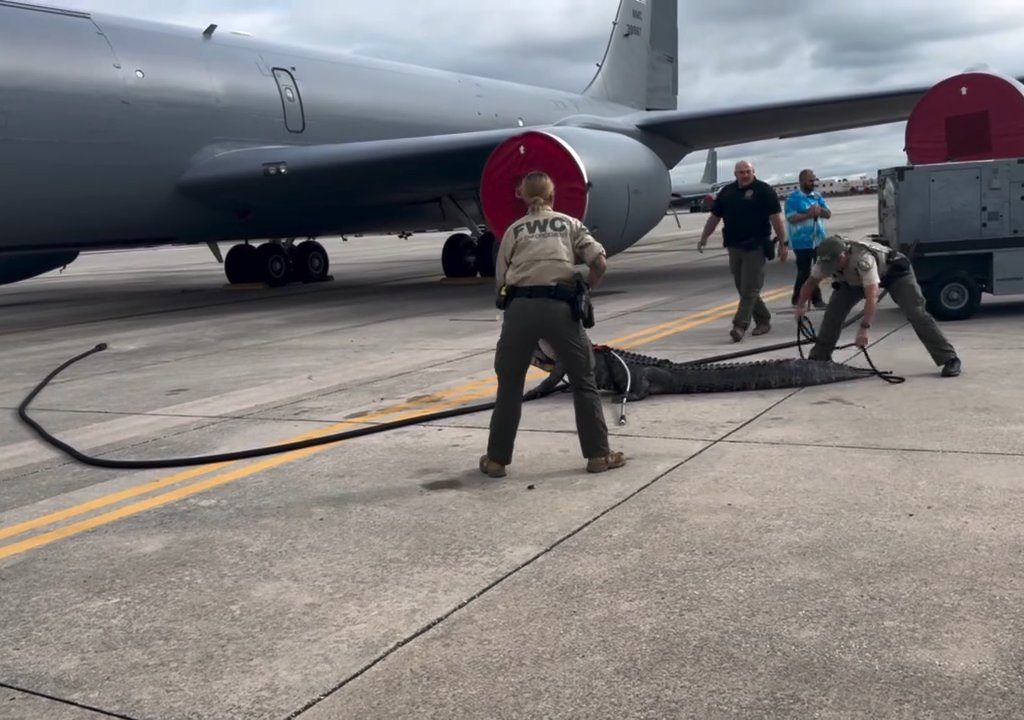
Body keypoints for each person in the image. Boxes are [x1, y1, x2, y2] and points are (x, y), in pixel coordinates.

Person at [479, 171, 626, 478]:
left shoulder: (513, 231)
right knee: (584, 382)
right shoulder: (570, 224)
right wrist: (586, 287)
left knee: (509, 386)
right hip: (561, 308)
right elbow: (599, 262)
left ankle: (496, 460)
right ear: (552, 196)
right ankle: (598, 455)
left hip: (519, 310)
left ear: (523, 196)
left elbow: (500, 282)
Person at [794, 234, 962, 377]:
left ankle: (949, 358)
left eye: (835, 264)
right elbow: (810, 283)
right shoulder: (825, 260)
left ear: (843, 255)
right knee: (833, 314)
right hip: (852, 281)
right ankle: (819, 359)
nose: (831, 269)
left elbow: (871, 296)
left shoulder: (863, 260)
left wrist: (864, 329)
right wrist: (800, 306)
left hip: (894, 274)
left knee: (916, 313)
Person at [698, 160, 789, 342]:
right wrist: (704, 238)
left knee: (750, 288)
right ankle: (763, 319)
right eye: (741, 172)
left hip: (756, 246)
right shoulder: (727, 192)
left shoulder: (764, 191)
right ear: (735, 174)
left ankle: (739, 326)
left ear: (753, 171)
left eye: (748, 171)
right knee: (743, 286)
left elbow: (776, 219)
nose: (745, 175)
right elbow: (714, 217)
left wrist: (783, 243)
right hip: (734, 246)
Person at [785, 169, 831, 307]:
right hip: (801, 241)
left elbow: (828, 213)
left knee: (817, 270)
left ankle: (807, 298)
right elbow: (791, 218)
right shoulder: (793, 198)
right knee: (804, 271)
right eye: (810, 181)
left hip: (818, 239)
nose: (813, 183)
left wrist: (820, 211)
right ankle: (807, 298)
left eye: (814, 180)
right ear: (802, 181)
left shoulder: (817, 197)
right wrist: (808, 214)